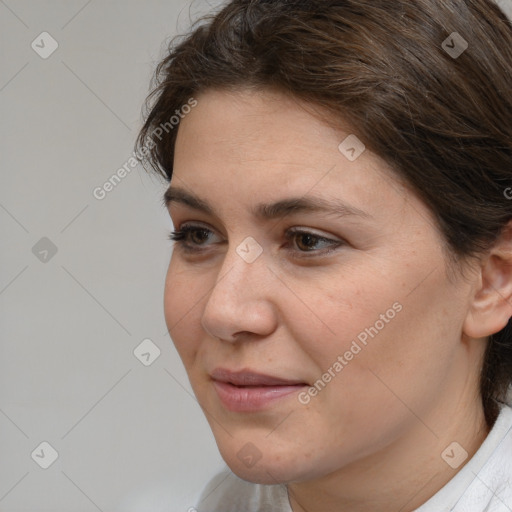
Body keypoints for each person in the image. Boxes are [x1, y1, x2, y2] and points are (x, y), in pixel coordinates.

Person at [135, 0, 512, 510]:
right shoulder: (228, 502)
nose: (222, 312)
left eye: (307, 240)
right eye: (198, 235)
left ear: (493, 280)